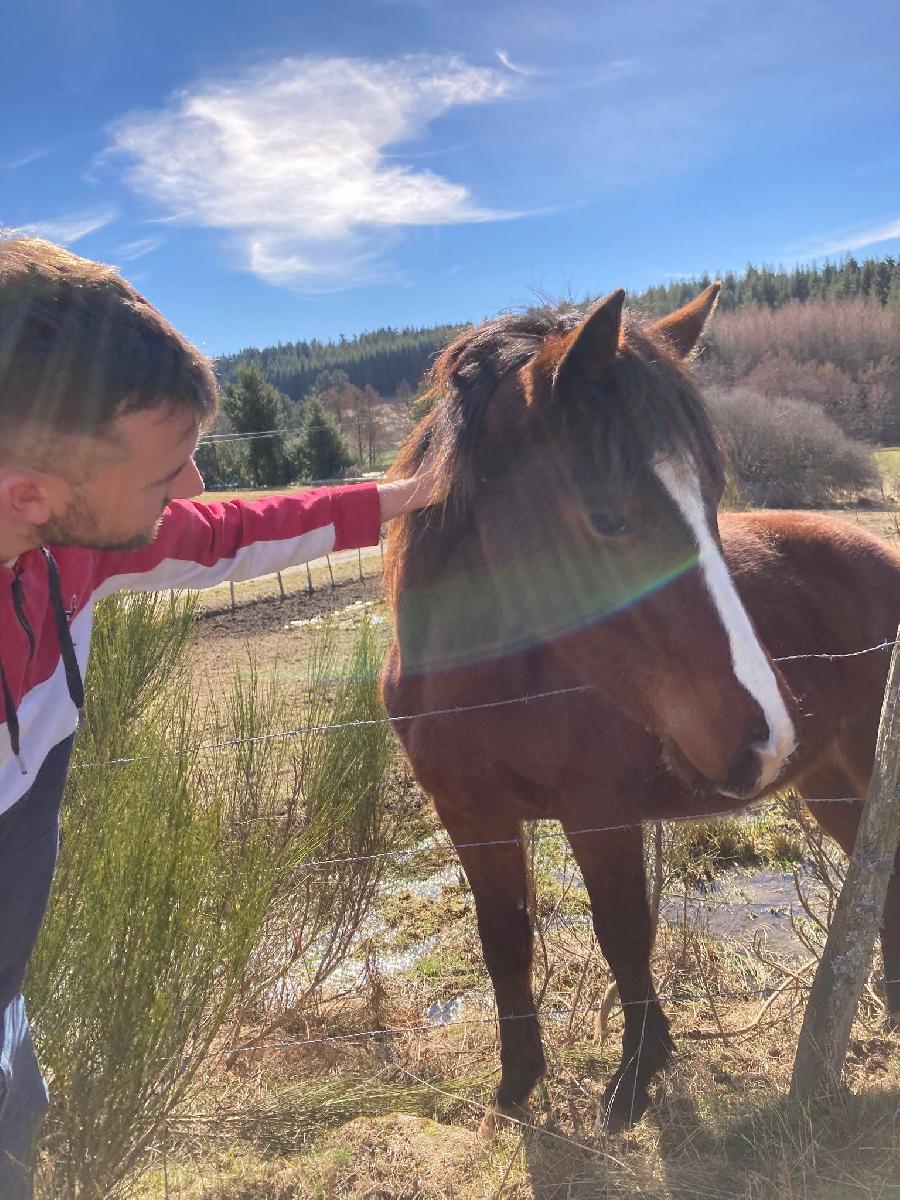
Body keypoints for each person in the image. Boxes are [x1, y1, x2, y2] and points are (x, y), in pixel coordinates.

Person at [0, 236, 440, 1195]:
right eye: (168, 476)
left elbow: (236, 531)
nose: (194, 491)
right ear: (30, 493)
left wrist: (406, 496)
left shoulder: (66, 547)